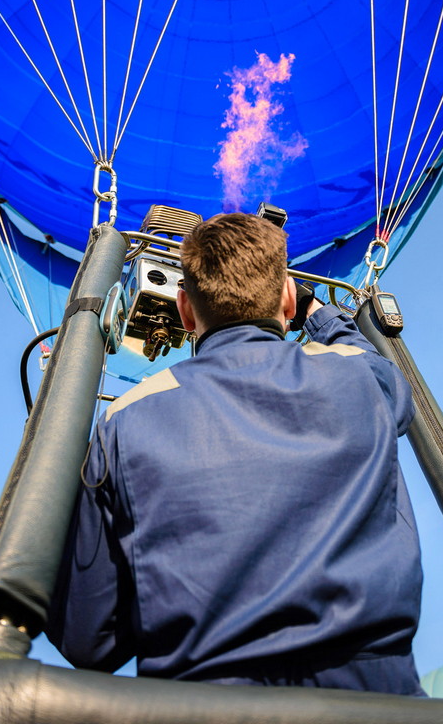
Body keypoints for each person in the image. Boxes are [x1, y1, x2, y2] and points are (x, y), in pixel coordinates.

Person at [46, 212, 424, 694]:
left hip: (202, 700)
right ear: (287, 298)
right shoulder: (360, 376)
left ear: (185, 311)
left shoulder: (124, 418)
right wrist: (315, 311)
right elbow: (366, 358)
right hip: (379, 698)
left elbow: (87, 639)